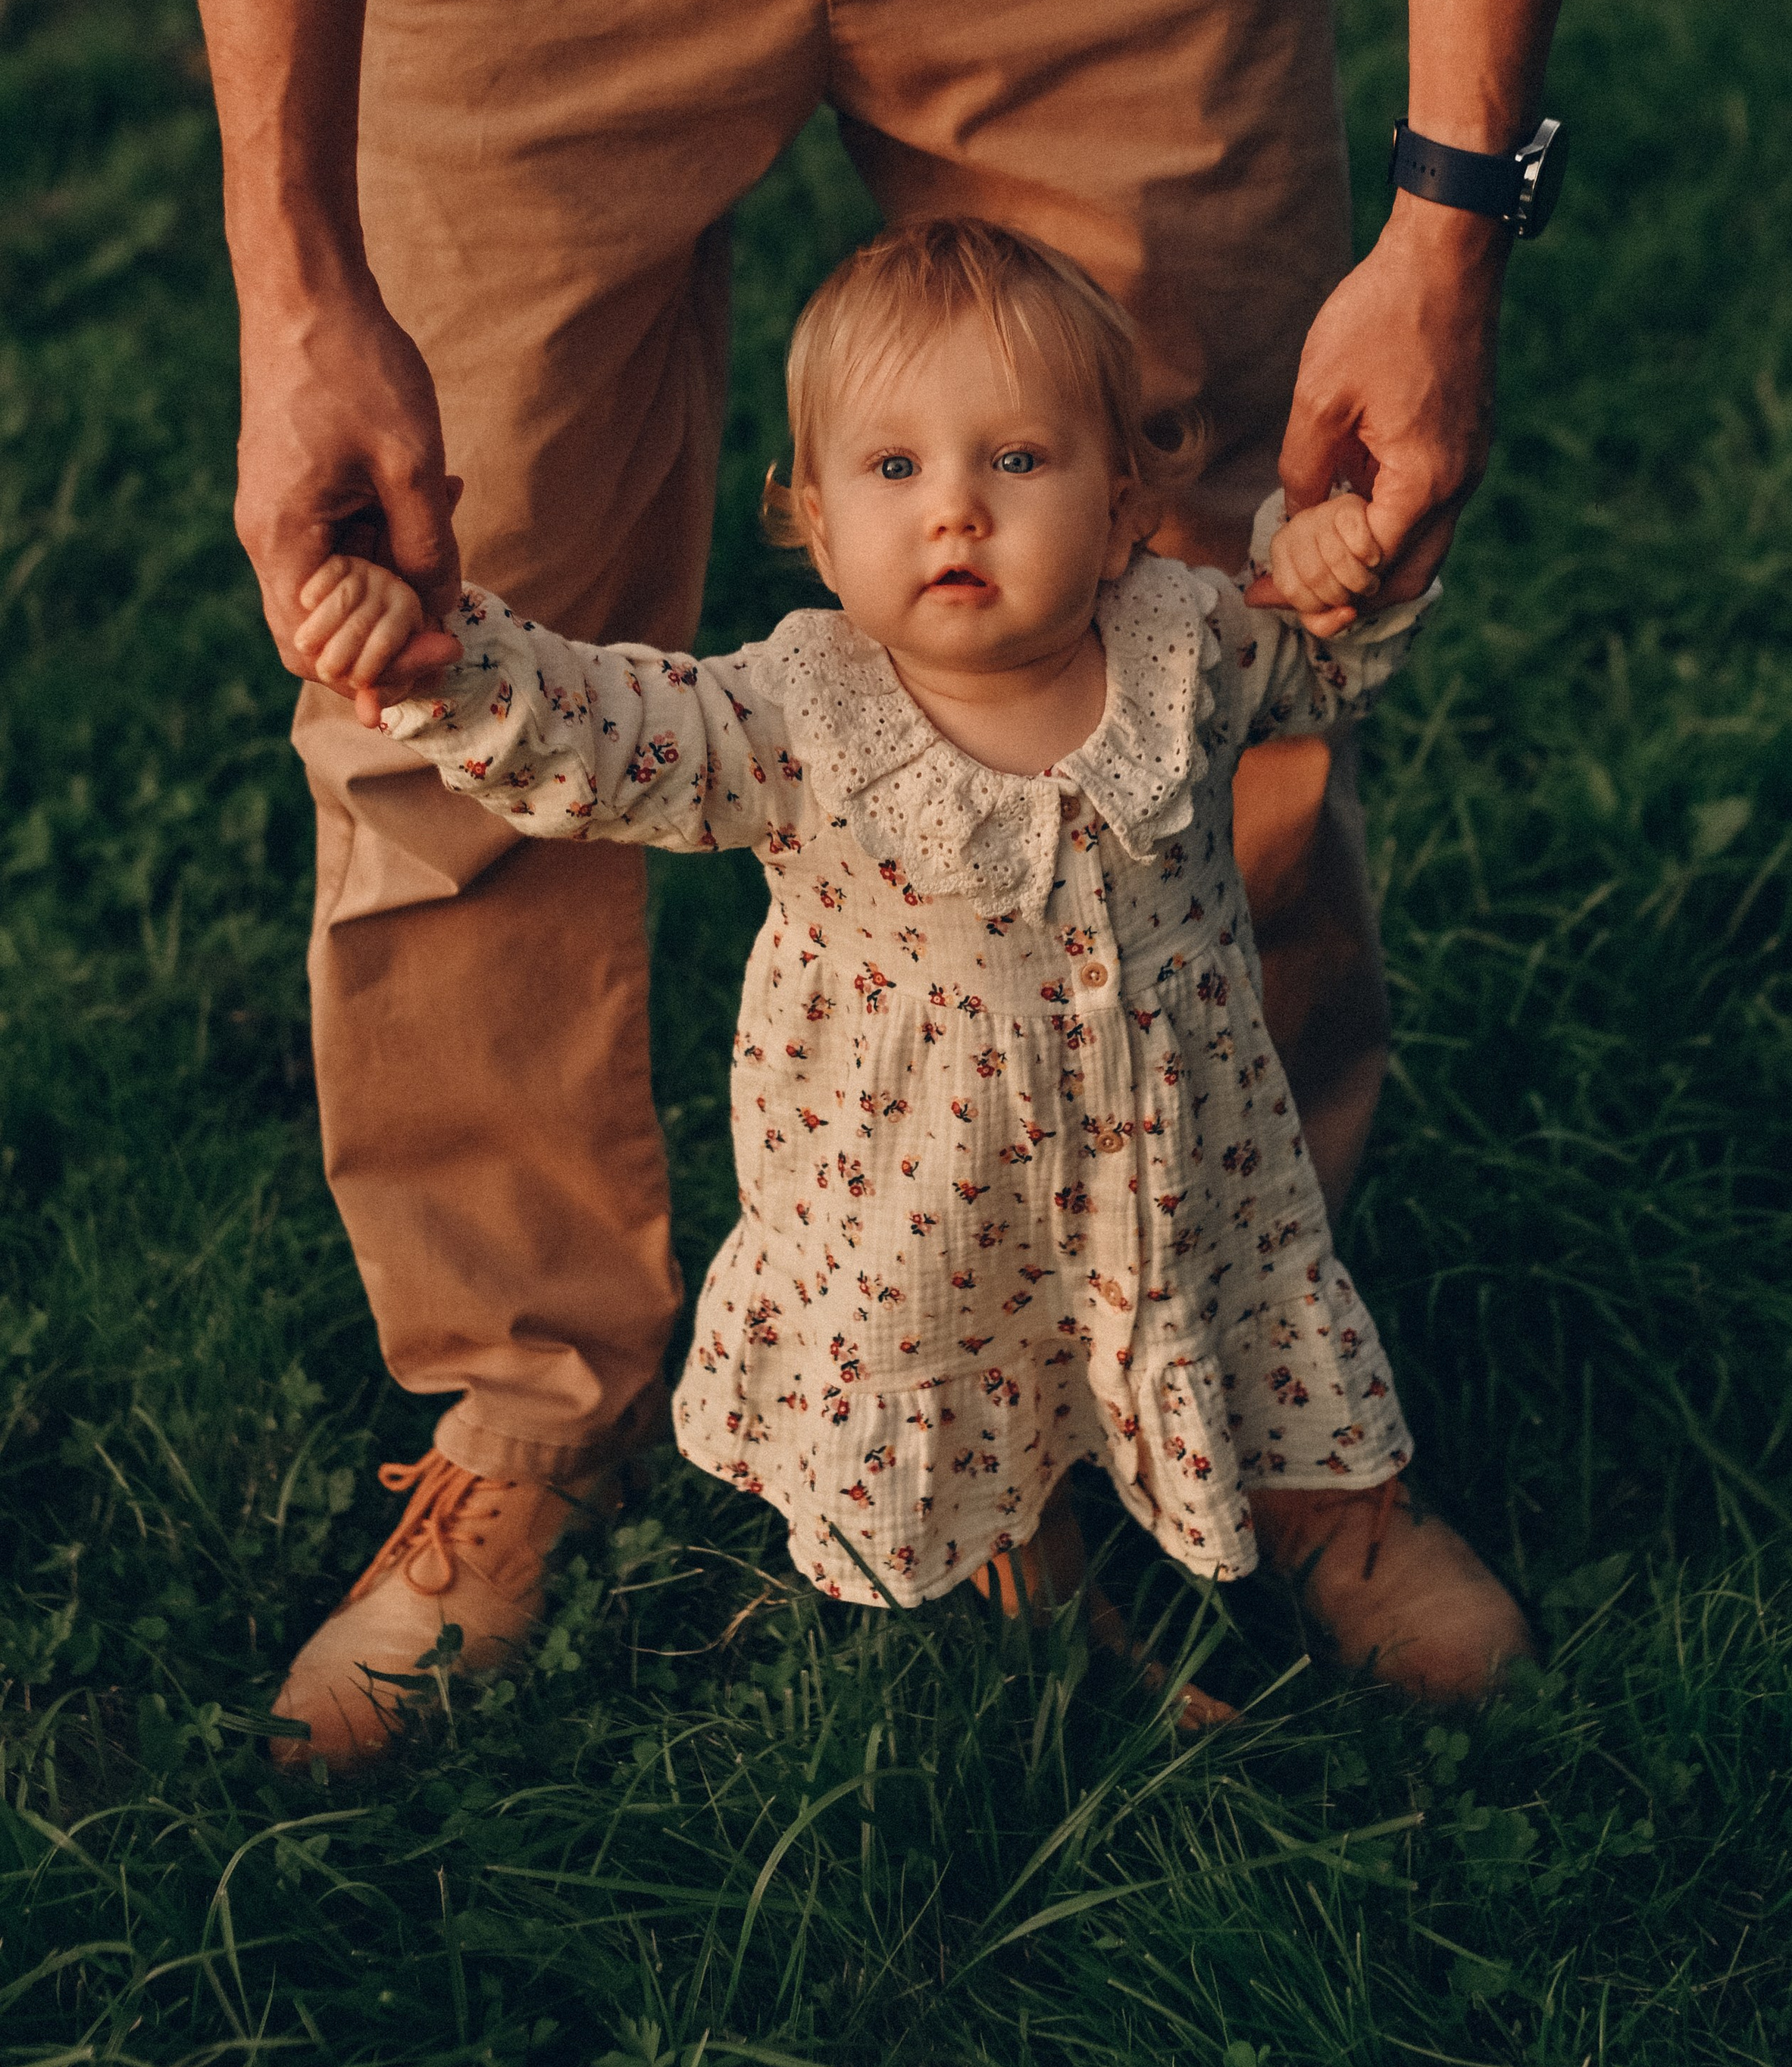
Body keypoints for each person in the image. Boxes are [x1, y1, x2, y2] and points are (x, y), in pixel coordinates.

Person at [161, 0, 1637, 1768]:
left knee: (1198, 616)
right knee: (443, 629)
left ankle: (1269, 1403)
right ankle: (527, 1396)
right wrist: (291, 269)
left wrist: (1450, 212)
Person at [276, 221, 1529, 1764]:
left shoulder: (1188, 645)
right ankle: (1015, 1561)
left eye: (1017, 458)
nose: (954, 507)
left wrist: (1333, 559)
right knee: (958, 1370)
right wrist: (443, 662)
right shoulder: (790, 718)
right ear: (810, 521)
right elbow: (597, 730)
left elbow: (1319, 661)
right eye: (891, 468)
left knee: (1241, 1292)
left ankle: (1317, 1491)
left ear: (1123, 510)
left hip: (1188, 1172)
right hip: (921, 1210)